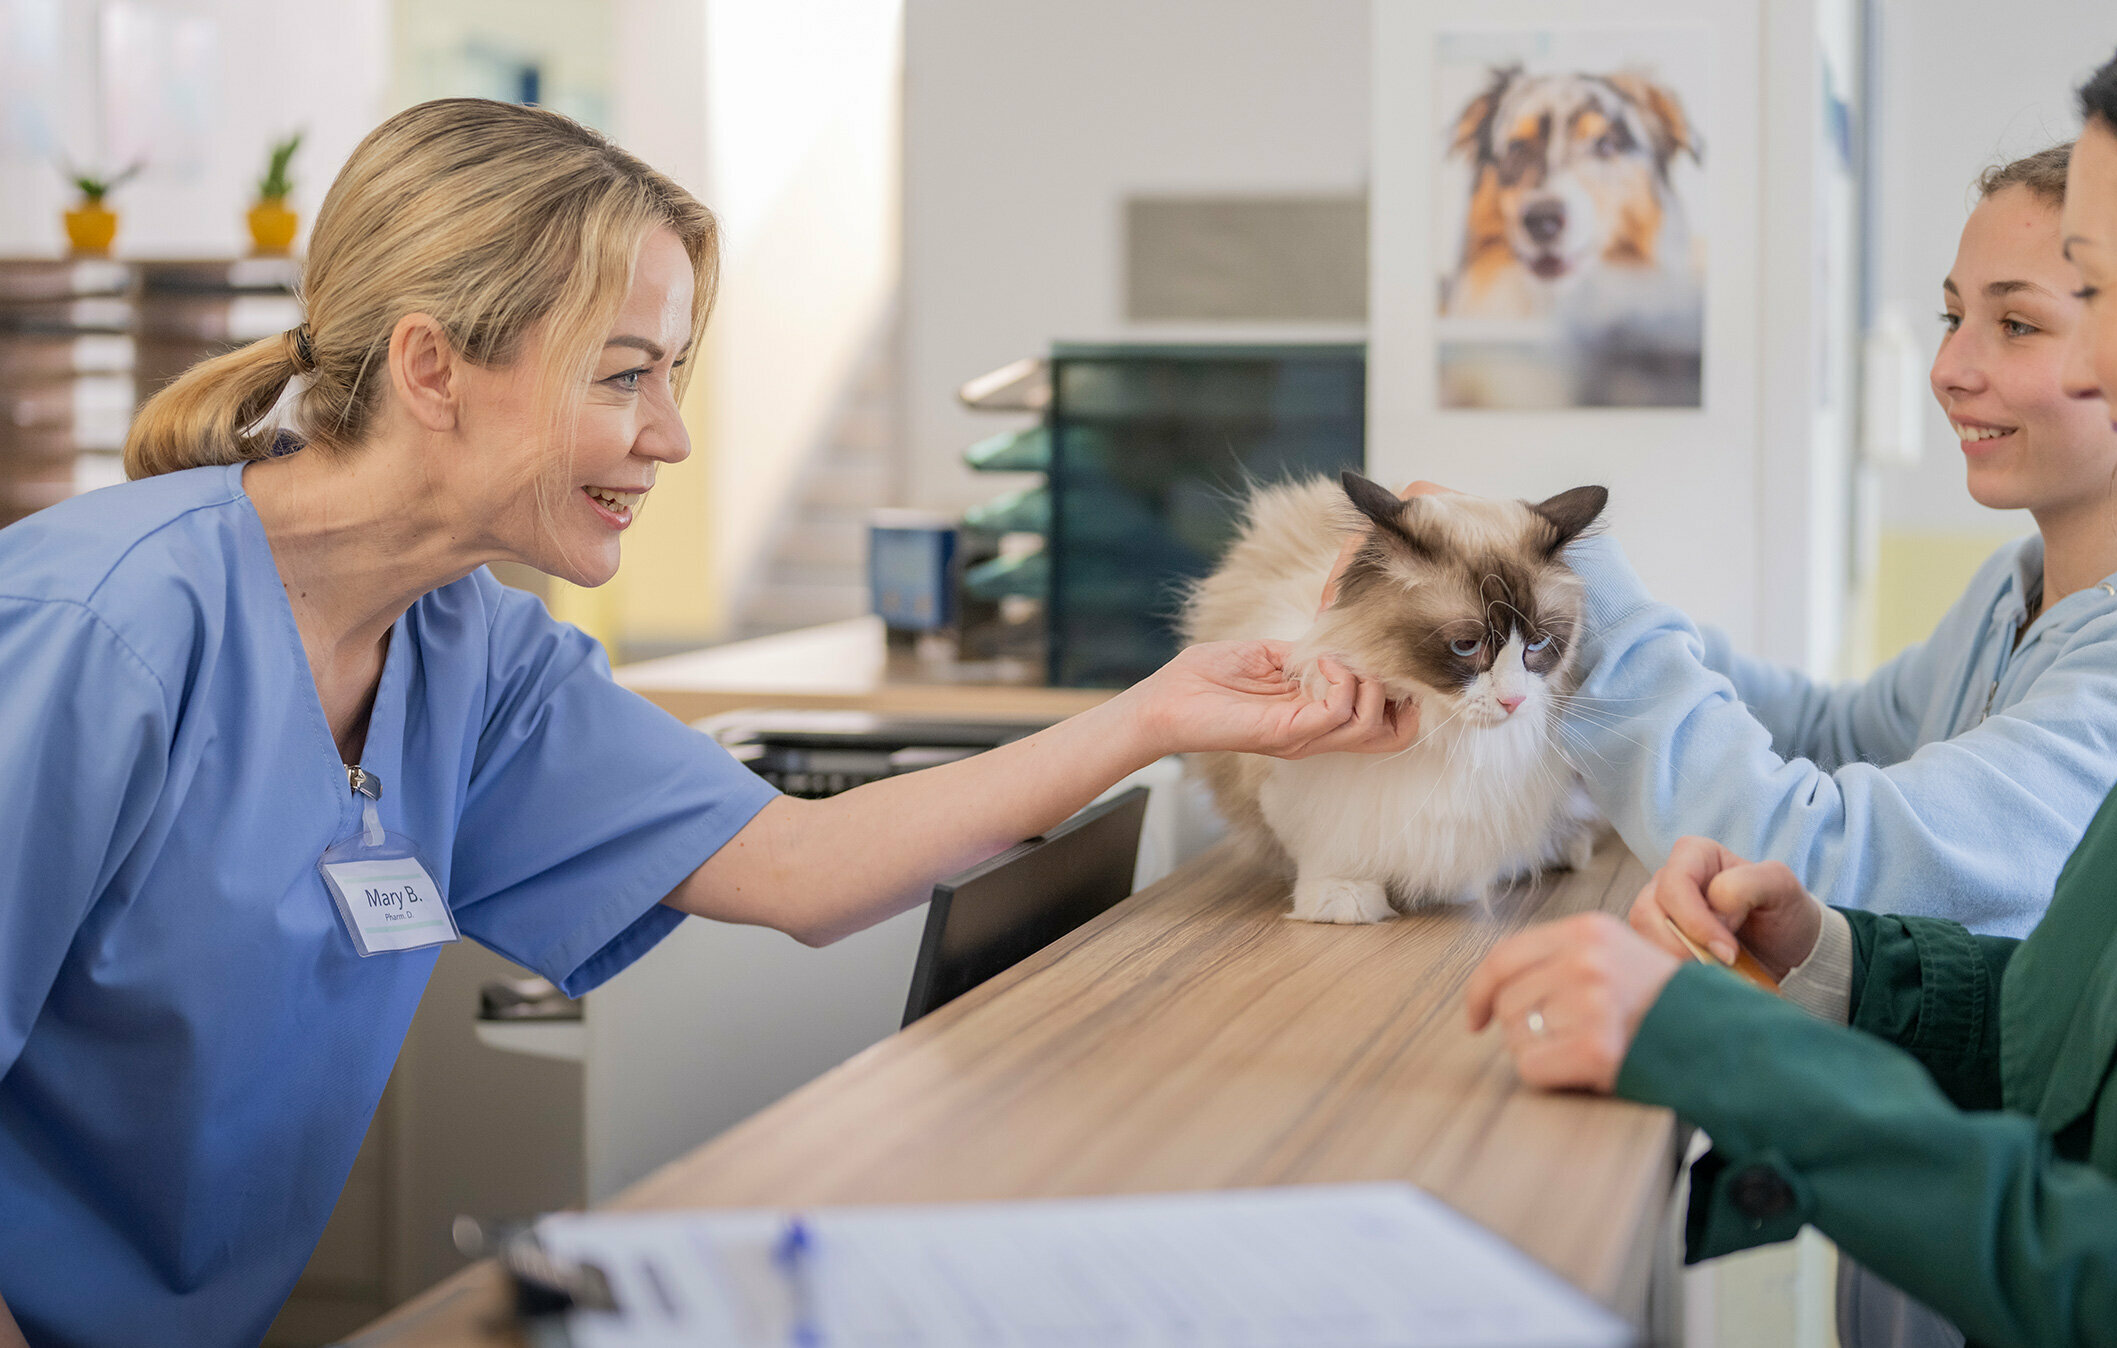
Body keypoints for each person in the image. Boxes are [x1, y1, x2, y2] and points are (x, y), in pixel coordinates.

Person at [0, 99, 1410, 1347]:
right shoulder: (98, 633)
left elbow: (798, 870)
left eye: (670, 375)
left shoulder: (471, 651)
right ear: (432, 369)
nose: (670, 435)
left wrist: (1160, 713)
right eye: (624, 375)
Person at [1467, 1, 2117, 1343]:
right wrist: (1832, 958)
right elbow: (2057, 1029)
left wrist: (1713, 1042)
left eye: (2098, 288)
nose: (2092, 357)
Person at [1548, 143, 2117, 939]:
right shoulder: (2016, 586)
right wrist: (1556, 625)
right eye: (1955, 317)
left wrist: (1576, 608)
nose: (1948, 367)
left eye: (2017, 324)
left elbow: (1830, 870)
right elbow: (1834, 733)